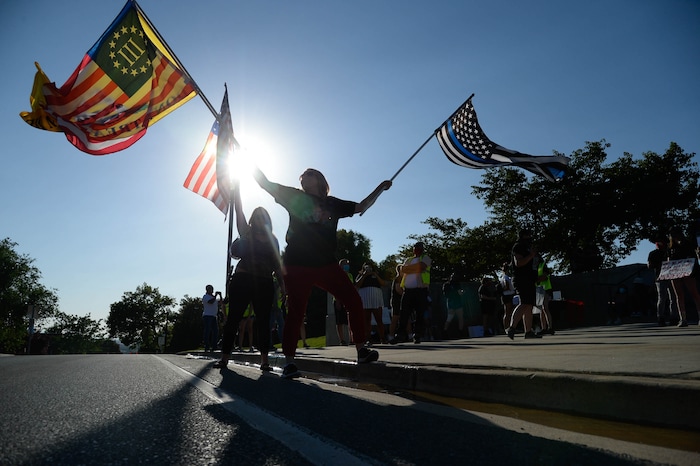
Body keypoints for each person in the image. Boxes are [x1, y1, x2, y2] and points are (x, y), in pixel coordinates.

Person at [253, 167, 392, 378]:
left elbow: (361, 206)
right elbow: (264, 182)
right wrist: (242, 154)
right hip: (297, 264)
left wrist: (380, 189)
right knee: (297, 312)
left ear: (319, 180)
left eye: (308, 174)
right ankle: (289, 362)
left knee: (353, 300)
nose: (302, 178)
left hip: (326, 264)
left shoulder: (333, 204)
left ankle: (361, 350)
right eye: (301, 176)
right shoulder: (294, 196)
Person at [214, 183, 284, 372]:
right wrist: (237, 195)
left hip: (264, 281)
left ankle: (264, 361)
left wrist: (283, 288)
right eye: (257, 217)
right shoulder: (247, 232)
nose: (260, 220)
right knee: (234, 319)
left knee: (263, 321)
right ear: (254, 219)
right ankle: (225, 358)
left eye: (263, 217)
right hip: (243, 279)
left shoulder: (273, 240)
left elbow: (278, 265)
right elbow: (239, 213)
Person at [392, 242, 432, 344]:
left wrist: (410, 269)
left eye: (419, 247)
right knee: (404, 313)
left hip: (420, 290)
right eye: (415, 247)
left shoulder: (426, 258)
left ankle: (417, 335)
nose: (417, 249)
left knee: (420, 314)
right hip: (408, 291)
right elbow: (403, 269)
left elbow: (421, 267)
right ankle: (400, 334)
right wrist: (414, 268)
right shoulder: (408, 259)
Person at [505, 229, 542, 340]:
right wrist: (531, 255)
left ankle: (528, 331)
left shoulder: (528, 247)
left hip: (529, 279)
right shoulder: (518, 247)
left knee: (529, 305)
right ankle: (511, 328)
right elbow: (519, 263)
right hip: (521, 279)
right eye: (528, 236)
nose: (530, 238)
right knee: (524, 303)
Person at [667, 227, 700, 327]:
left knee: (694, 293)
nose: (674, 236)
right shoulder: (671, 247)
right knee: (679, 295)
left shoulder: (687, 244)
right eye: (672, 235)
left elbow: (693, 257)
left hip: (688, 271)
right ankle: (683, 318)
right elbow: (669, 260)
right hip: (675, 273)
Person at [648, 235, 679, 326]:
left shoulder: (669, 252)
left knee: (672, 298)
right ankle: (661, 317)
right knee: (662, 298)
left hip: (670, 276)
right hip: (660, 277)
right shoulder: (653, 253)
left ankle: (673, 317)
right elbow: (650, 265)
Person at [356, 262, 388, 344]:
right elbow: (357, 284)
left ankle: (382, 338)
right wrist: (364, 275)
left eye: (370, 267)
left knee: (379, 319)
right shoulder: (361, 275)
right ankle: (368, 338)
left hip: (376, 298)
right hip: (365, 298)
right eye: (366, 267)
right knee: (367, 320)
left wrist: (375, 275)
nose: (368, 269)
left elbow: (383, 283)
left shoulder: (376, 274)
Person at [333, 259, 353, 345]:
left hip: (348, 300)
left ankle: (352, 339)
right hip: (339, 300)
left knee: (350, 320)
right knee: (339, 322)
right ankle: (342, 340)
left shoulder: (350, 275)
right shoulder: (336, 275)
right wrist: (337, 300)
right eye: (344, 264)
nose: (346, 266)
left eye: (347, 264)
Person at [388, 265, 408, 340]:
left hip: (403, 301)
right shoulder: (398, 279)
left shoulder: (404, 279)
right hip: (396, 301)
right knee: (395, 318)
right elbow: (399, 290)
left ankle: (409, 335)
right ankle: (391, 336)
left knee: (406, 318)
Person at [442, 273, 464, 337]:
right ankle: (460, 332)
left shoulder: (446, 285)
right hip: (457, 302)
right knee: (460, 318)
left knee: (449, 318)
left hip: (450, 302)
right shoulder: (457, 284)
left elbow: (445, 294)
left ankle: (445, 331)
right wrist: (462, 292)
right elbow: (460, 293)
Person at [536, 258, 555, 335]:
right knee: (542, 309)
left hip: (546, 288)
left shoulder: (542, 265)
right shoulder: (535, 267)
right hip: (539, 289)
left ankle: (550, 327)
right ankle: (544, 328)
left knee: (545, 307)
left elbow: (545, 277)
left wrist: (535, 280)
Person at [202, 285, 221, 353]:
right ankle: (206, 345)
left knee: (215, 331)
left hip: (213, 316)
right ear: (207, 290)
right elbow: (211, 302)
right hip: (207, 315)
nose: (212, 290)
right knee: (207, 331)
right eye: (210, 289)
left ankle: (214, 345)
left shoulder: (213, 297)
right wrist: (215, 296)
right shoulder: (205, 297)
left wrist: (220, 296)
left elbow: (220, 303)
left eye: (212, 289)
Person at [499, 263, 515, 332]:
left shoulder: (503, 276)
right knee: (508, 312)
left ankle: (508, 327)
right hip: (507, 295)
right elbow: (506, 285)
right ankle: (507, 327)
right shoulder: (506, 277)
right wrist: (508, 288)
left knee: (508, 312)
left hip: (506, 295)